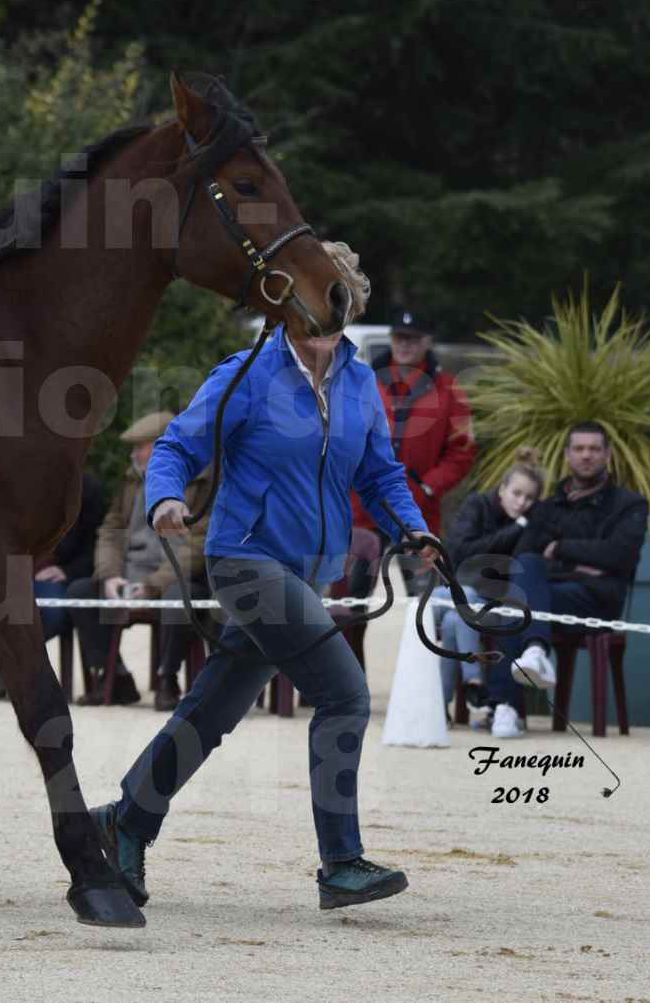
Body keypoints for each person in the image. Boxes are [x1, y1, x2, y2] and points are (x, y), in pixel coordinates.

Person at [91, 241, 441, 913]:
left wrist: (411, 527)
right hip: (244, 560)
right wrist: (165, 496)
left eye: (335, 290)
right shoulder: (247, 372)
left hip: (305, 572)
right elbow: (177, 444)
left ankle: (126, 820)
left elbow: (379, 471)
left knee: (210, 712)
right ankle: (340, 862)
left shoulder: (360, 382)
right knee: (343, 696)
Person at [481, 423, 649, 739]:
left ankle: (507, 704)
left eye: (594, 449)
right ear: (568, 455)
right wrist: (582, 564)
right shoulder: (548, 507)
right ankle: (531, 658)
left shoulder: (629, 504)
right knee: (525, 574)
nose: (587, 456)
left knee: (518, 600)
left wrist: (559, 549)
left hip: (596, 601)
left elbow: (620, 556)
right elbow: (524, 555)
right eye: (579, 449)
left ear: (607, 456)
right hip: (550, 595)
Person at [67, 412, 210, 708]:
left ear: (162, 447)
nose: (133, 454)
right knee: (81, 592)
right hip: (129, 574)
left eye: (139, 447)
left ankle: (167, 678)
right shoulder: (131, 480)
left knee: (178, 598)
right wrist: (109, 576)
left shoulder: (202, 481)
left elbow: (198, 544)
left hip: (175, 578)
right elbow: (111, 530)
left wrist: (152, 585)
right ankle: (115, 677)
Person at [352, 310, 476, 585]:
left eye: (413, 339)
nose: (405, 345)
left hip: (418, 511)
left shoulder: (450, 390)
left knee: (418, 597)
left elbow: (462, 450)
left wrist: (428, 487)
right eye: (399, 338)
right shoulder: (363, 381)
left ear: (428, 341)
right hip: (364, 509)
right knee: (351, 596)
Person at [437, 448, 544, 721]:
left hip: (489, 605)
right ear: (502, 488)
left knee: (453, 621)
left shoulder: (528, 526)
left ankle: (439, 707)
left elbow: (515, 569)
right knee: (466, 597)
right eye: (516, 493)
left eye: (529, 498)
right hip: (456, 591)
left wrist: (520, 528)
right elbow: (461, 552)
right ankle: (473, 683)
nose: (521, 503)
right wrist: (515, 528)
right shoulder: (478, 505)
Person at [0, 469, 105, 700]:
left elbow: (96, 546)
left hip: (55, 574)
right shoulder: (15, 485)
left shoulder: (88, 489)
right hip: (11, 571)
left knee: (54, 613)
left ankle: (12, 669)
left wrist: (67, 571)